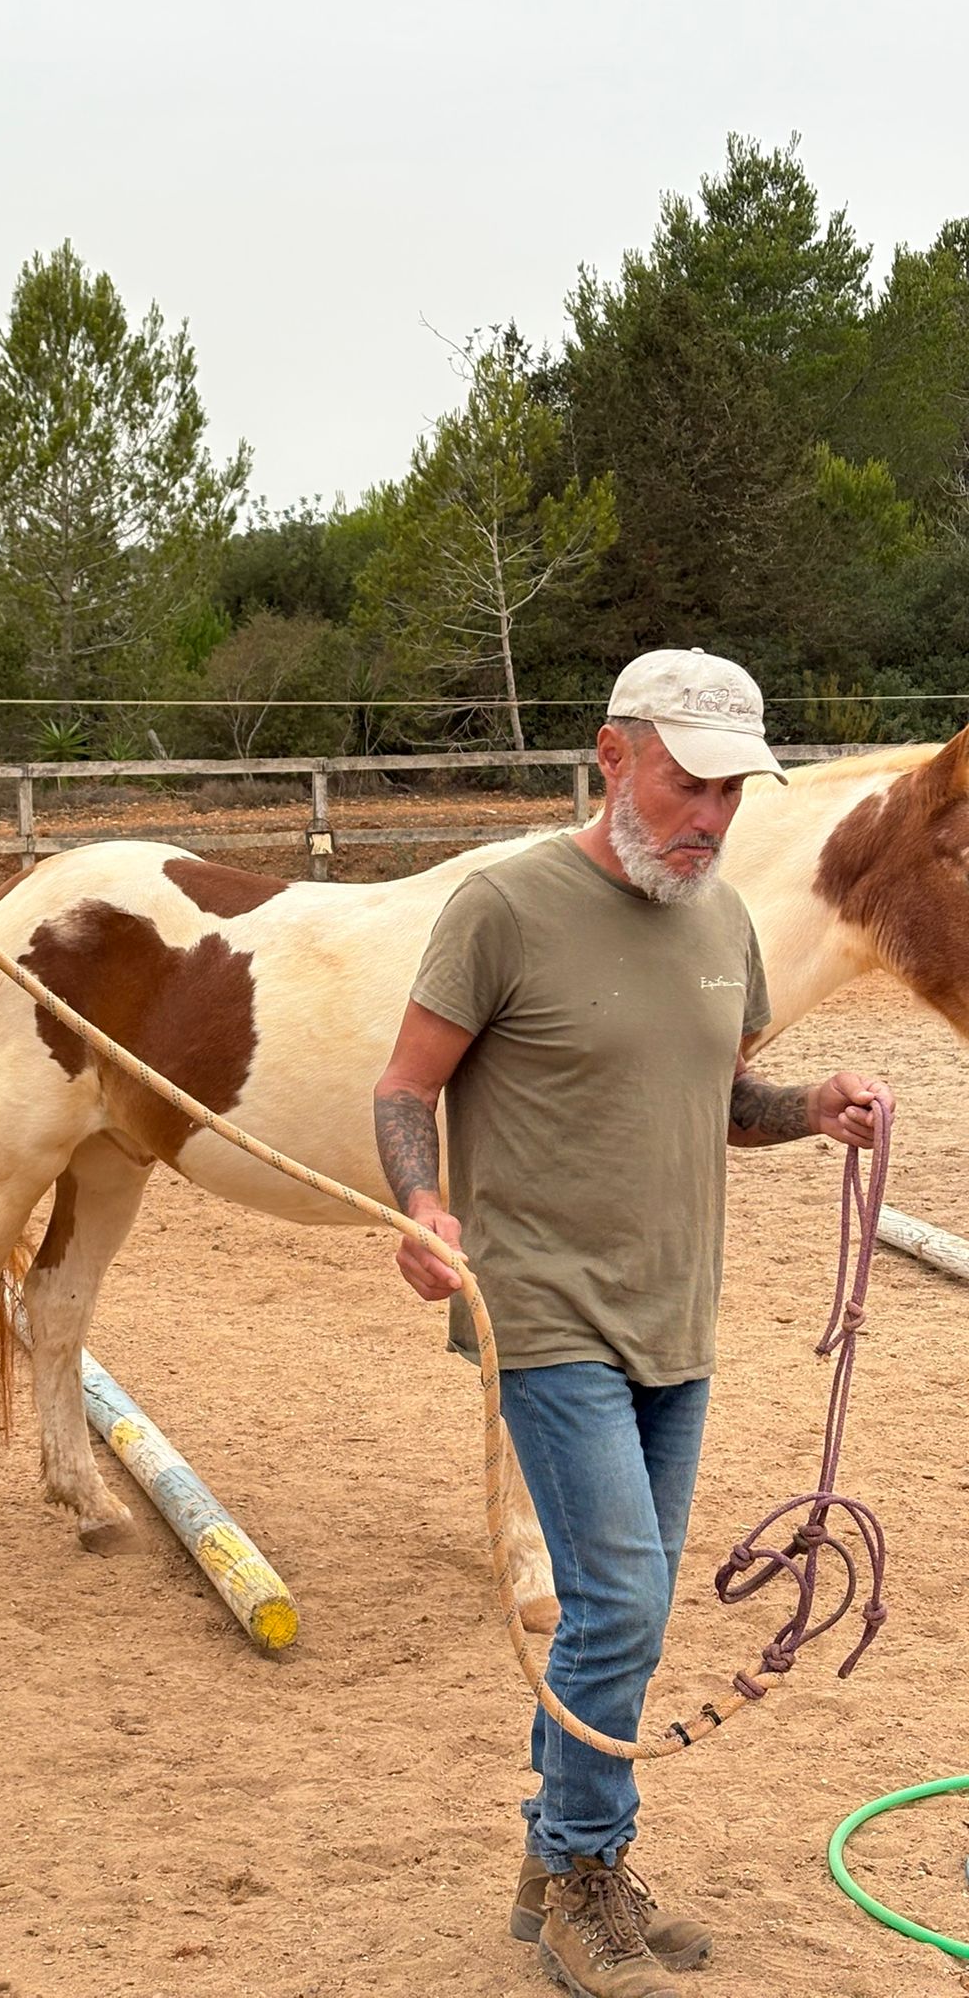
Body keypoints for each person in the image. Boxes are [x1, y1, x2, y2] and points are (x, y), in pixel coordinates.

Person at [372, 649, 894, 1998]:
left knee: (632, 1615)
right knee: (620, 1600)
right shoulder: (503, 905)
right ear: (614, 759)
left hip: (681, 1316)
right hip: (547, 1310)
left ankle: (561, 1859)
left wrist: (812, 1108)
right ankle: (587, 1878)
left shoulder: (721, 925)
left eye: (733, 786)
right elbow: (402, 1085)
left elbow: (726, 1098)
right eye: (687, 780)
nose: (711, 812)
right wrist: (424, 1207)